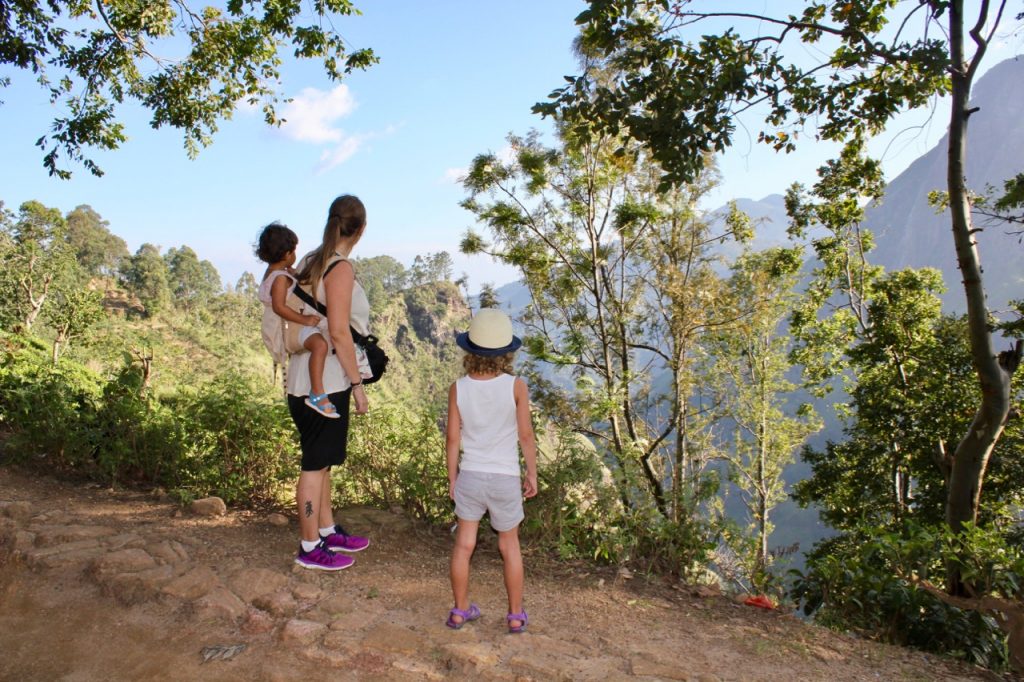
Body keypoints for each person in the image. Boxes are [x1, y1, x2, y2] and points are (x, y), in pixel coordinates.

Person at [288, 195, 374, 571]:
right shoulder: (340, 269)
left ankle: (324, 529)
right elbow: (339, 332)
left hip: (301, 378)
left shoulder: (309, 260)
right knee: (313, 465)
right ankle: (309, 547)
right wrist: (358, 385)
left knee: (321, 462)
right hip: (327, 383)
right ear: (360, 229)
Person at [445, 308, 538, 633]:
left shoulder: (459, 388)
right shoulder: (516, 386)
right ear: (506, 352)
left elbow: (453, 439)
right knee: (509, 546)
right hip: (504, 478)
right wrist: (532, 473)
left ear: (470, 350)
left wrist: (453, 478)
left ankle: (459, 611)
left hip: (471, 474)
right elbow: (525, 435)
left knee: (464, 545)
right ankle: (514, 615)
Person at [255, 223, 338, 418]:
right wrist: (305, 319)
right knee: (320, 345)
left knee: (318, 345)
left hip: (287, 326)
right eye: (293, 251)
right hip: (290, 326)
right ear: (285, 254)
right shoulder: (279, 279)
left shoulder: (273, 273)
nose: (295, 256)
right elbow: (279, 307)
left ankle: (315, 391)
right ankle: (317, 393)